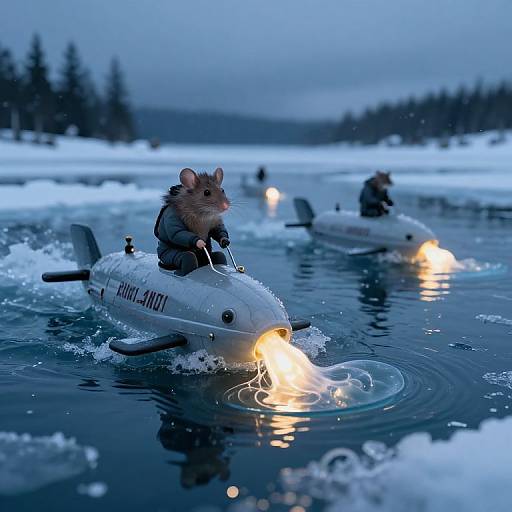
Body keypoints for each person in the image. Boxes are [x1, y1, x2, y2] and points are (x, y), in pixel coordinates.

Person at [154, 168, 230, 275]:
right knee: (188, 259)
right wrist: (194, 240)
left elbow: (216, 227)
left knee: (219, 257)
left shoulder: (208, 212)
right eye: (207, 193)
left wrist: (222, 237)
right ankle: (181, 282)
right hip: (172, 252)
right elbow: (175, 233)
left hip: (201, 254)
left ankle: (220, 282)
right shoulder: (174, 210)